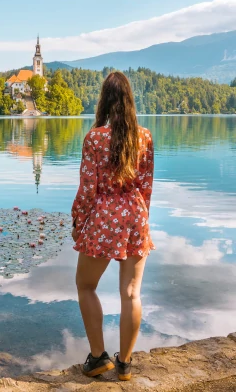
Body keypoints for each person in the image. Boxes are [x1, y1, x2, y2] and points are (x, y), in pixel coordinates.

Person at [71, 71, 154, 381]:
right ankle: (125, 364)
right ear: (130, 101)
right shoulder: (143, 136)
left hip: (105, 217)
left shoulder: (94, 137)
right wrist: (143, 222)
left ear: (103, 100)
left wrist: (78, 221)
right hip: (136, 215)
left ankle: (97, 358)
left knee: (85, 285)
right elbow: (146, 186)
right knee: (132, 293)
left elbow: (87, 189)